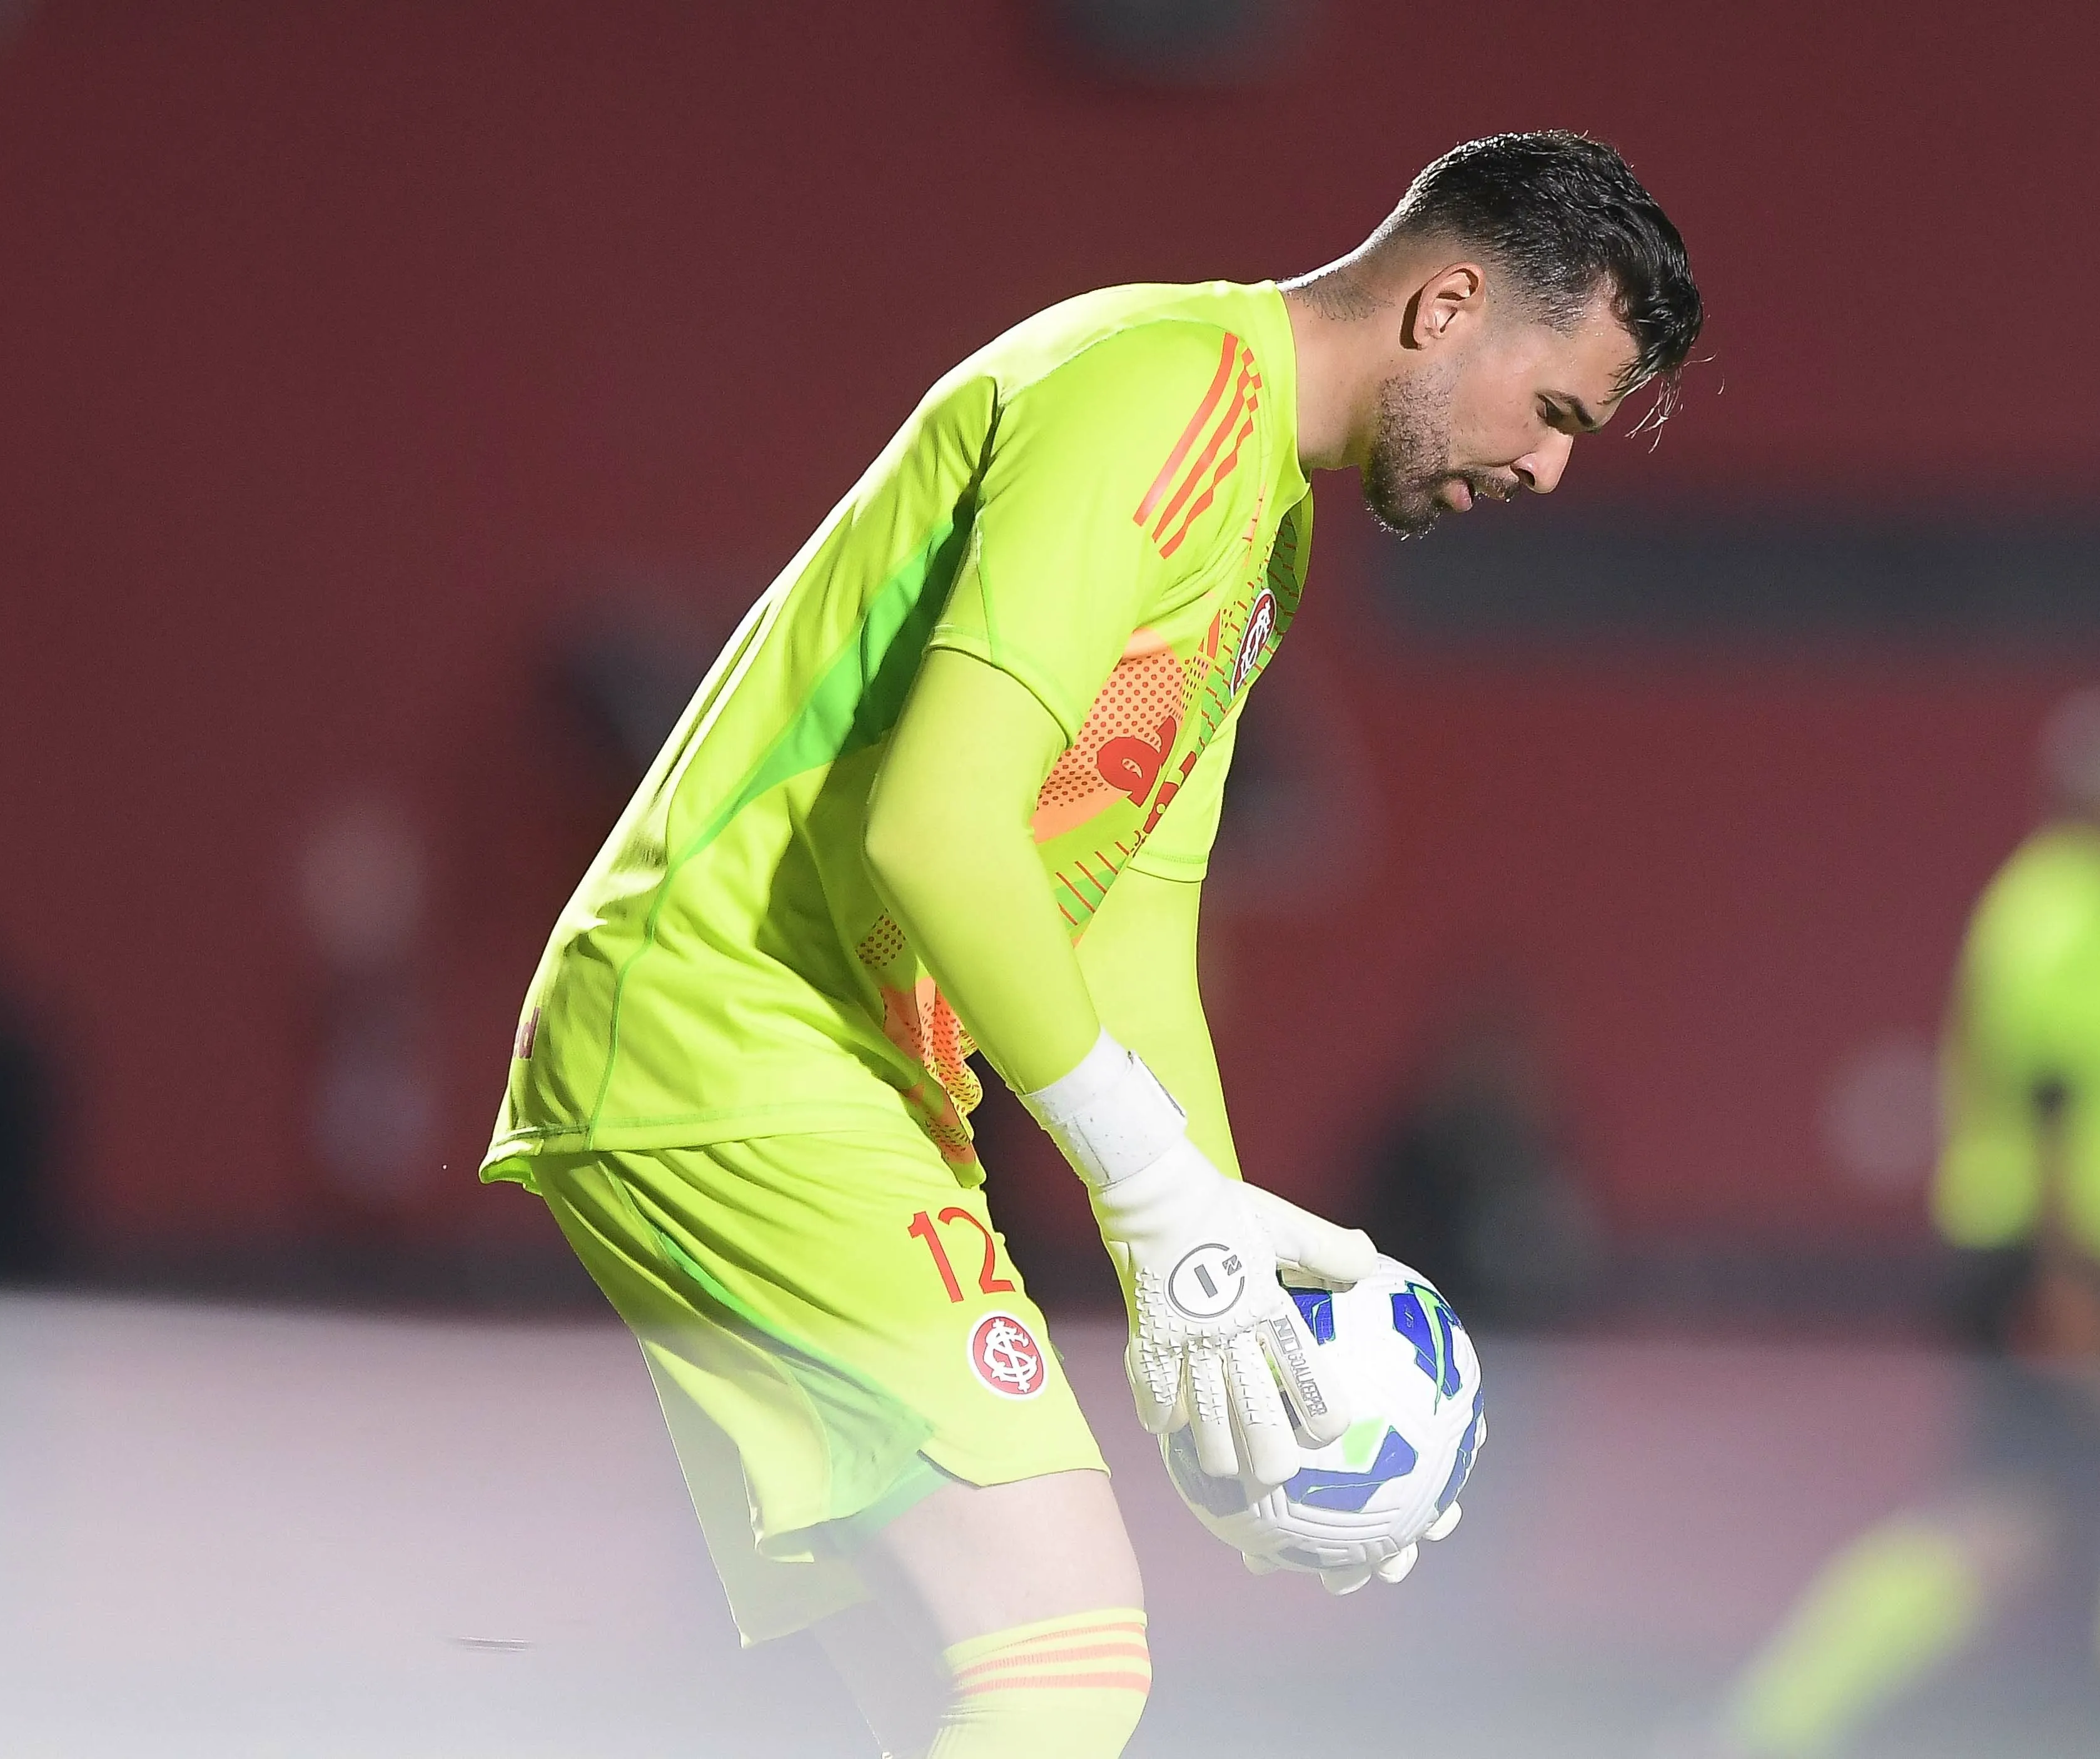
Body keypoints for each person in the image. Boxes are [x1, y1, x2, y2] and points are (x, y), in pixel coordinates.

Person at [480, 131, 1703, 1759]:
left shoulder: (1263, 520)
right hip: (737, 1028)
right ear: (1448, 304)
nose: (1548, 470)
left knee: (951, 1695)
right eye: (1553, 410)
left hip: (826, 1063)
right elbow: (936, 828)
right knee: (1063, 1663)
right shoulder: (1156, 392)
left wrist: (1207, 1272)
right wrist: (1149, 1191)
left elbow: (1127, 913)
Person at [1690, 691, 2100, 1759]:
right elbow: (2052, 1117)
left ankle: (1766, 1728)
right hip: (2055, 1264)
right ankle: (1763, 1729)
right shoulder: (2060, 915)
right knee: (2074, 1523)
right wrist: (2075, 1293)